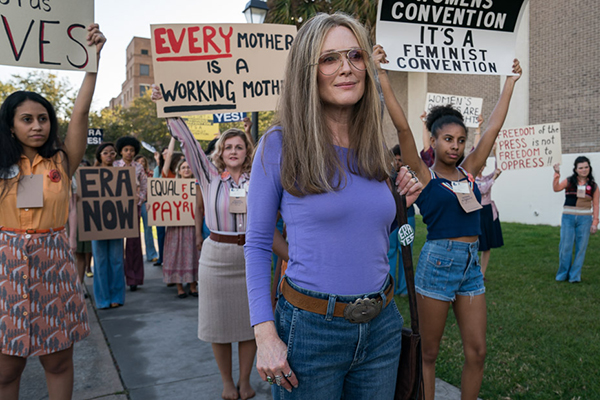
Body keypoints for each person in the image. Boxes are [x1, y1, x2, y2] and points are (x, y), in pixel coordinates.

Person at [244, 13, 422, 399]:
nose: (347, 68)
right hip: (310, 333)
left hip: (381, 327)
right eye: (329, 59)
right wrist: (265, 333)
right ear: (308, 70)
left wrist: (400, 206)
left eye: (356, 56)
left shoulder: (374, 145)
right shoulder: (278, 144)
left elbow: (364, 235)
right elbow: (257, 243)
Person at [375, 43, 521, 400]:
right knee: (429, 353)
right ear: (435, 140)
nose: (455, 146)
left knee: (478, 352)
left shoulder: (470, 171)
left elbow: (494, 129)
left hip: (471, 266)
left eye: (460, 140)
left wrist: (510, 82)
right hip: (438, 264)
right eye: (447, 139)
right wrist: (382, 77)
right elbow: (403, 129)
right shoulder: (425, 176)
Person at [0, 24, 105, 400]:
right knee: (6, 368)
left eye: (42, 118)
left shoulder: (62, 160)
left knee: (58, 360)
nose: (37, 125)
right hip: (6, 270)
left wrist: (92, 61)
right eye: (26, 119)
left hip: (54, 265)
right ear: (10, 126)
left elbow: (80, 112)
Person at [91, 142, 126, 309]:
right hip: (96, 223)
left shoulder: (122, 174)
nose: (109, 156)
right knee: (100, 261)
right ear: (99, 156)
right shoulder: (89, 175)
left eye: (112, 153)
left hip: (117, 222)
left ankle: (117, 297)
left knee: (117, 260)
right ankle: (103, 299)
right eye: (105, 153)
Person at [553, 157, 598, 282]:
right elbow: (556, 188)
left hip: (585, 219)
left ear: (589, 168)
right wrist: (557, 173)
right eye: (581, 168)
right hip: (568, 217)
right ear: (576, 169)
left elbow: (596, 205)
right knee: (565, 246)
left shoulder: (593, 186)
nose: (584, 170)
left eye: (586, 167)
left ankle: (574, 276)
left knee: (581, 248)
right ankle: (562, 274)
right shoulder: (569, 181)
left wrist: (595, 222)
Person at [162, 158, 199, 298]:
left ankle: (193, 286)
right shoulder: (171, 186)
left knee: (193, 254)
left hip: (192, 227)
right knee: (176, 255)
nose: (186, 170)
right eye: (183, 167)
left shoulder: (198, 186)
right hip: (175, 228)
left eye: (188, 167)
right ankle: (179, 287)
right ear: (178, 170)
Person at [114, 136, 147, 291]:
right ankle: (118, 278)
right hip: (115, 208)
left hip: (134, 208)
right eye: (126, 150)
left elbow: (145, 187)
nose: (129, 152)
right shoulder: (114, 166)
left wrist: (138, 201)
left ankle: (134, 278)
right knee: (116, 244)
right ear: (120, 151)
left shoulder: (139, 168)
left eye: (132, 150)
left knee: (134, 244)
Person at [475, 161, 503, 278]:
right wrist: (495, 177)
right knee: (477, 243)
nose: (481, 168)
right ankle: (473, 271)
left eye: (483, 165)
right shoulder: (473, 179)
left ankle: (482, 273)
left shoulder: (485, 178)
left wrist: (496, 153)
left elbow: (497, 170)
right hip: (478, 212)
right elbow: (483, 190)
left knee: (487, 245)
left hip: (488, 212)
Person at [134, 154, 159, 262]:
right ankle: (135, 256)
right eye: (138, 161)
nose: (140, 163)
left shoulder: (150, 174)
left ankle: (151, 254)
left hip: (146, 203)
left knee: (148, 228)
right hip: (133, 204)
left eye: (143, 161)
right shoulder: (131, 173)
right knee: (133, 231)